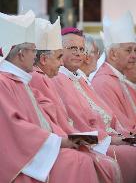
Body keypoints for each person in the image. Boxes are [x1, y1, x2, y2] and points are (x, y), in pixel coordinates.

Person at [0, 12, 105, 183]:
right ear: (20, 54)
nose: (35, 56)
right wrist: (63, 141)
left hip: (44, 147)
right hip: (24, 161)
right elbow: (17, 129)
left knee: (85, 155)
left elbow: (49, 121)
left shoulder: (21, 81)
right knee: (80, 161)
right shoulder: (5, 82)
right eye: (33, 50)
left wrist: (70, 139)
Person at [30, 18, 123, 183]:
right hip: (42, 150)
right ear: (43, 59)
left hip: (63, 141)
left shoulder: (44, 77)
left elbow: (62, 125)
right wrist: (87, 140)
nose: (61, 63)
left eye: (83, 49)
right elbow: (59, 127)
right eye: (60, 56)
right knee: (84, 161)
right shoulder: (41, 79)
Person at [52, 27, 136, 183]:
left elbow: (108, 117)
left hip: (104, 139)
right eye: (72, 48)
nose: (79, 53)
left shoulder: (80, 79)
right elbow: (75, 125)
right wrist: (111, 139)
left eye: (81, 49)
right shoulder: (58, 79)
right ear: (59, 50)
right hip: (89, 143)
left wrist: (124, 135)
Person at [92, 11, 136, 133]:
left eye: (135, 50)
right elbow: (120, 127)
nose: (134, 55)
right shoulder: (103, 82)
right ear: (113, 54)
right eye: (129, 50)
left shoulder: (118, 78)